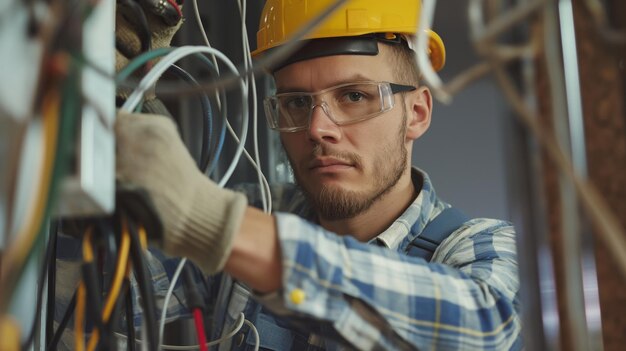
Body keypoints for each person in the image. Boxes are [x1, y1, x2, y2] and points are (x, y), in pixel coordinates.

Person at [115, 0, 522, 349]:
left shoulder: (483, 246)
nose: (316, 128)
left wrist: (218, 225)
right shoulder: (259, 208)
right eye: (295, 102)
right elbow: (87, 299)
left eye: (354, 96)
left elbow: (489, 331)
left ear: (416, 113)